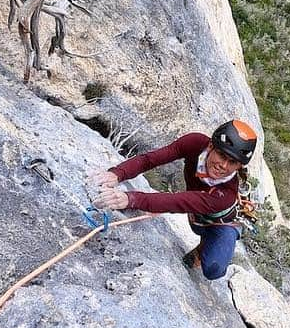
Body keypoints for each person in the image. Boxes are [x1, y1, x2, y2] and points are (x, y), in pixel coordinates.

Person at [89, 120, 258, 280]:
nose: (224, 165)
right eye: (222, 155)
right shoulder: (195, 143)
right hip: (197, 214)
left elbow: (177, 201)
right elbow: (152, 159)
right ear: (211, 146)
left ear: (239, 167)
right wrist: (118, 173)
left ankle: (203, 250)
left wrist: (130, 199)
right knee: (197, 222)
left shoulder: (225, 194)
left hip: (222, 224)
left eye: (233, 162)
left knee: (213, 270)